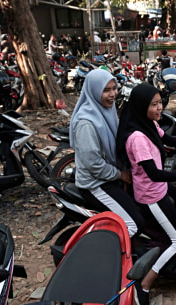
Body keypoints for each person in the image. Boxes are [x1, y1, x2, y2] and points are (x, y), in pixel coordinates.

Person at [116, 83, 176, 305]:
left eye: (160, 103)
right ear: (141, 106)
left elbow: (167, 139)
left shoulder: (149, 124)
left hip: (161, 189)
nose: (160, 108)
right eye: (154, 104)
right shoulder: (137, 138)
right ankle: (145, 285)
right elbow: (154, 173)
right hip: (151, 195)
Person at [69, 69, 145, 239]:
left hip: (110, 177)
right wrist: (120, 175)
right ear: (94, 91)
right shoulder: (86, 123)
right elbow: (93, 164)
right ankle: (106, 261)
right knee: (134, 224)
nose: (113, 94)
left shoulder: (107, 111)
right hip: (95, 184)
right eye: (106, 90)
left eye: (114, 88)